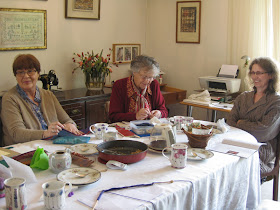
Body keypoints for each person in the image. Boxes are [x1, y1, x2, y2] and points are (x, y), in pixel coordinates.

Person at [1, 54, 82, 146]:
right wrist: (45, 133)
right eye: (20, 72)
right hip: (24, 150)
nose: (26, 76)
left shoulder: (48, 95)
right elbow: (16, 134)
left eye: (30, 71)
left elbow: (67, 120)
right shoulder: (10, 98)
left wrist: (71, 125)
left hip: (52, 146)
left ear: (38, 74)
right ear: (16, 75)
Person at [227, 57, 280, 176]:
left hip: (262, 149)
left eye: (259, 73)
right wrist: (245, 125)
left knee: (234, 163)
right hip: (237, 141)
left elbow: (263, 132)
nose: (255, 77)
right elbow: (230, 122)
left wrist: (240, 123)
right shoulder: (243, 97)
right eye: (253, 73)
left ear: (271, 75)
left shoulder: (276, 101)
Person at [109, 55, 168, 123]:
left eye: (151, 77)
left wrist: (159, 113)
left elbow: (164, 111)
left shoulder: (154, 84)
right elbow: (113, 116)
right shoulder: (119, 85)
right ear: (134, 72)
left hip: (150, 130)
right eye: (144, 77)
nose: (147, 81)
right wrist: (135, 116)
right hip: (127, 130)